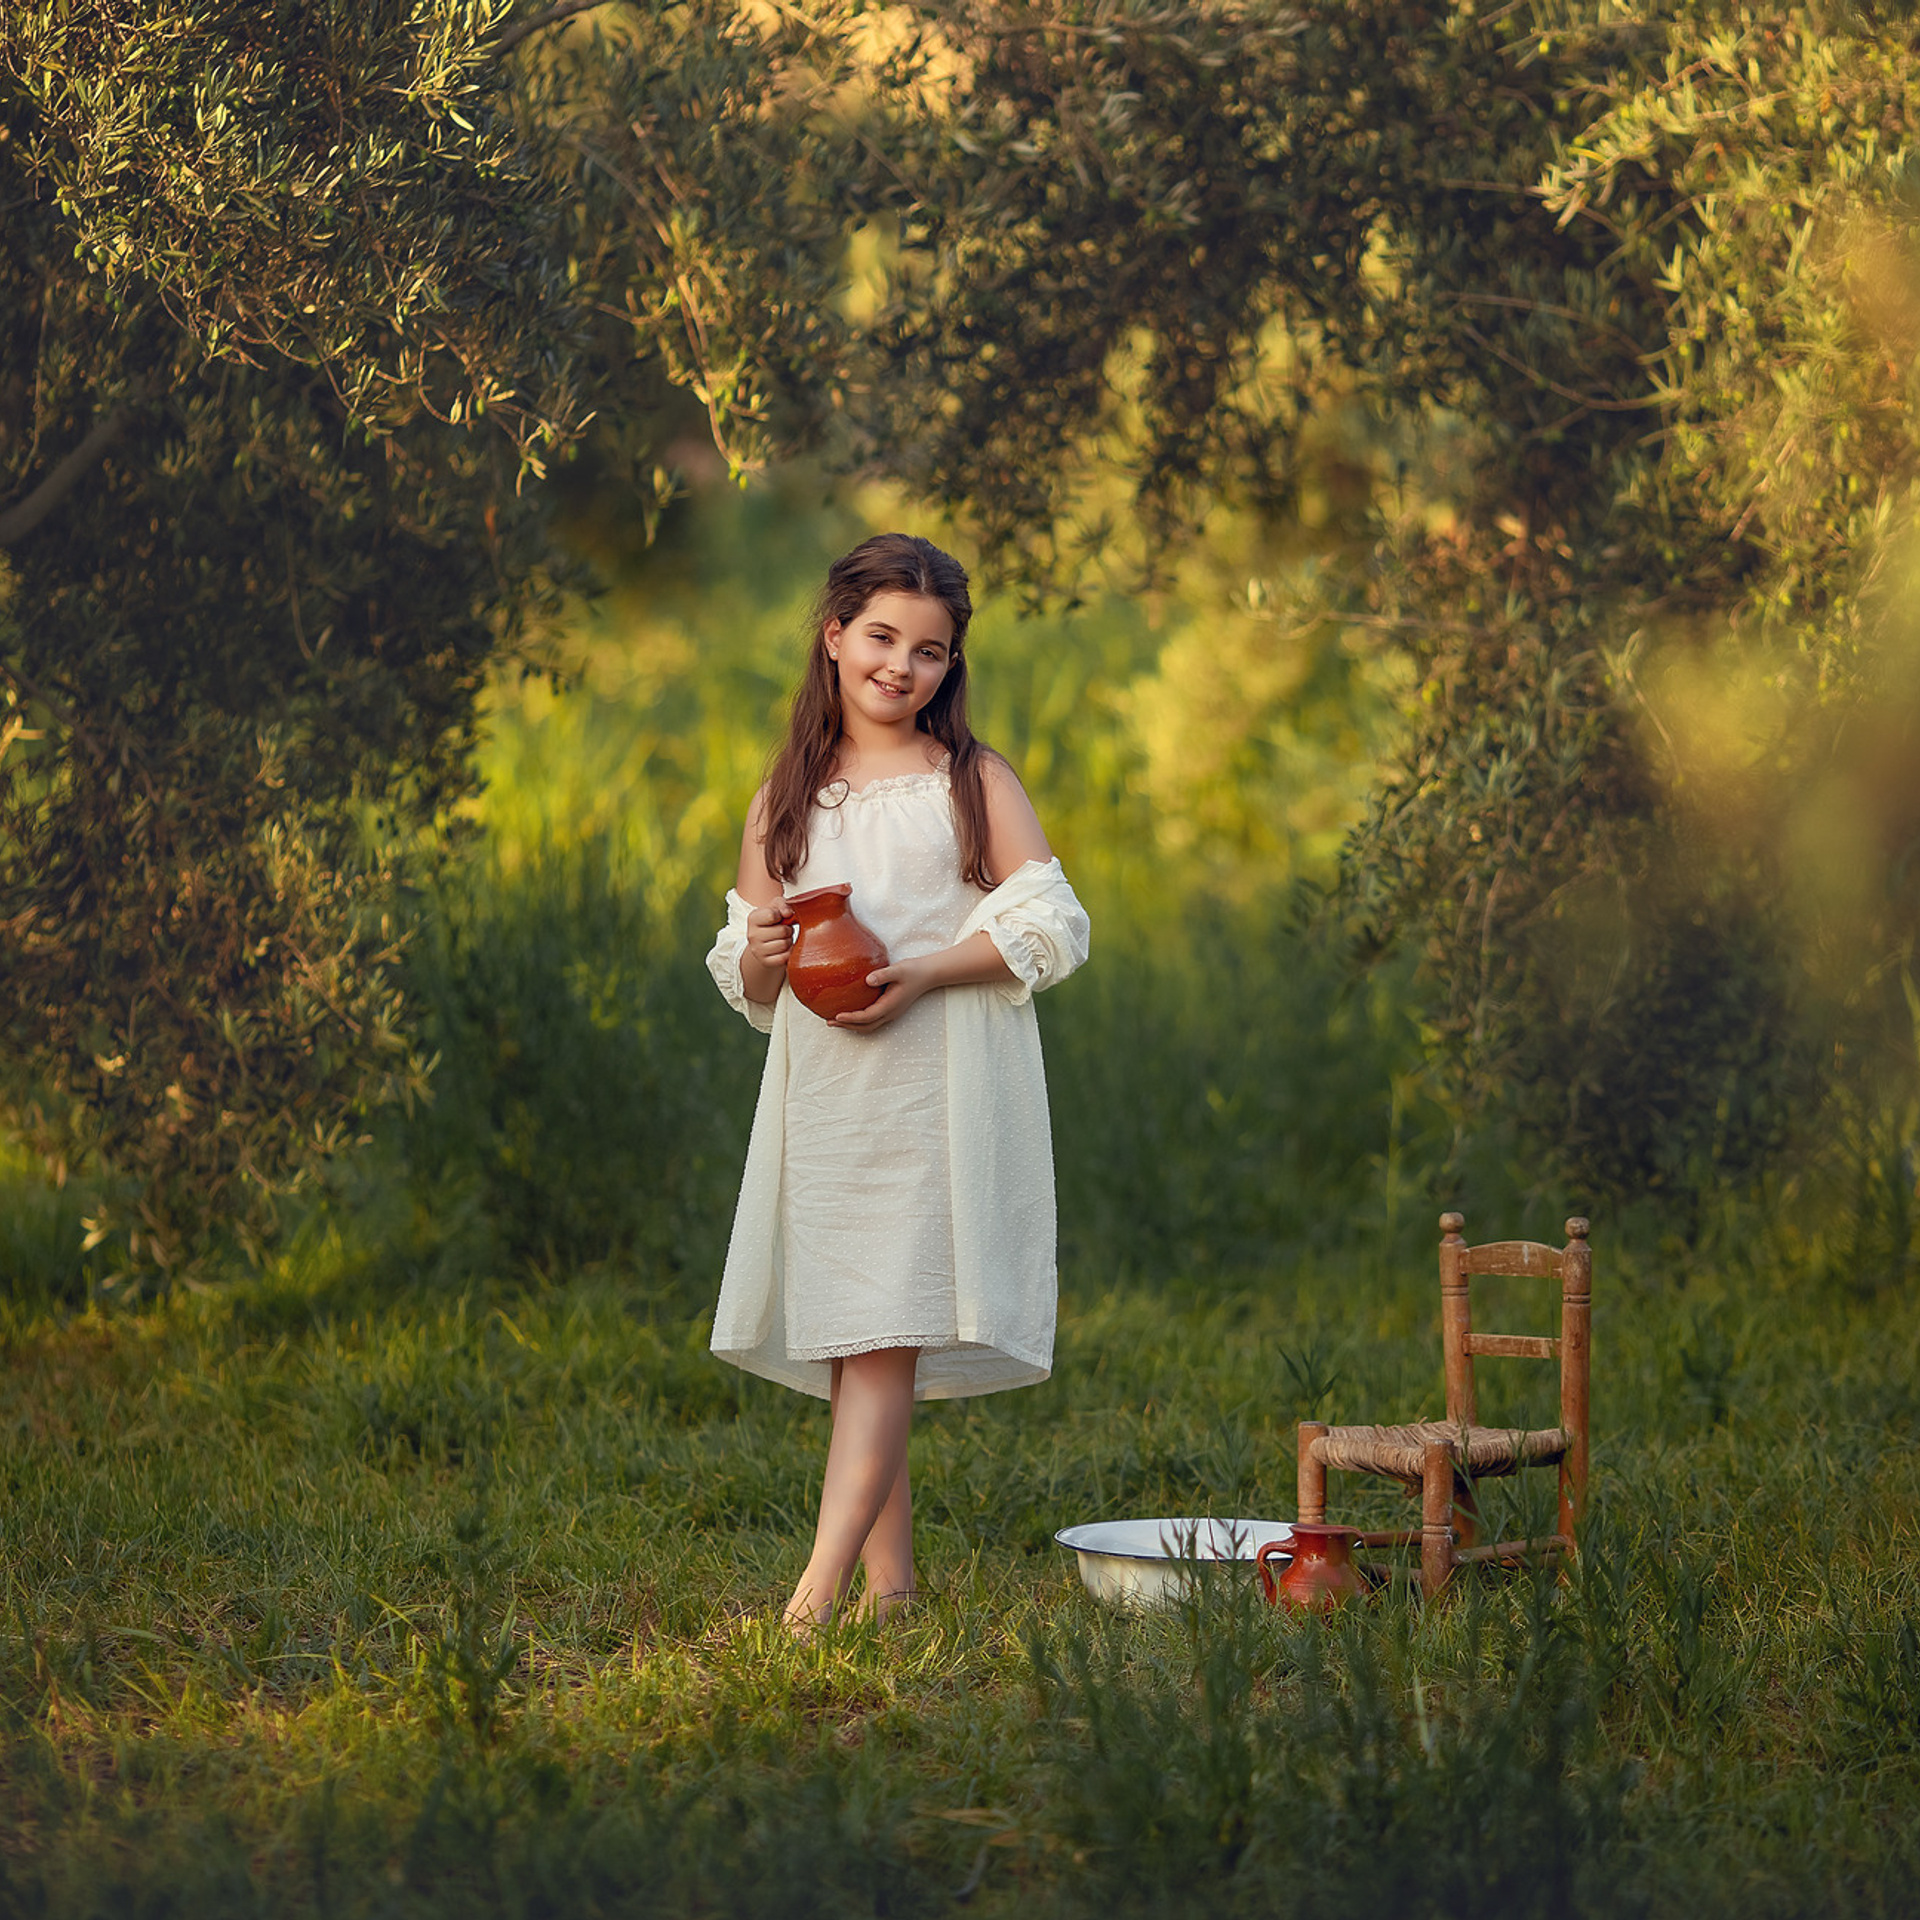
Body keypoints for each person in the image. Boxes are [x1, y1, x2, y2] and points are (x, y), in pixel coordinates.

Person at [704, 532, 1091, 1630]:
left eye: (928, 650)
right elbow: (745, 964)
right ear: (834, 638)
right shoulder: (788, 795)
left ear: (949, 665)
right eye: (880, 637)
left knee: (882, 1340)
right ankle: (895, 1592)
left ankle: (812, 1601)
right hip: (833, 1102)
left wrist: (927, 970)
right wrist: (768, 957)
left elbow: (1053, 922)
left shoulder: (970, 781)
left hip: (937, 1093)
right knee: (858, 1338)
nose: (900, 667)